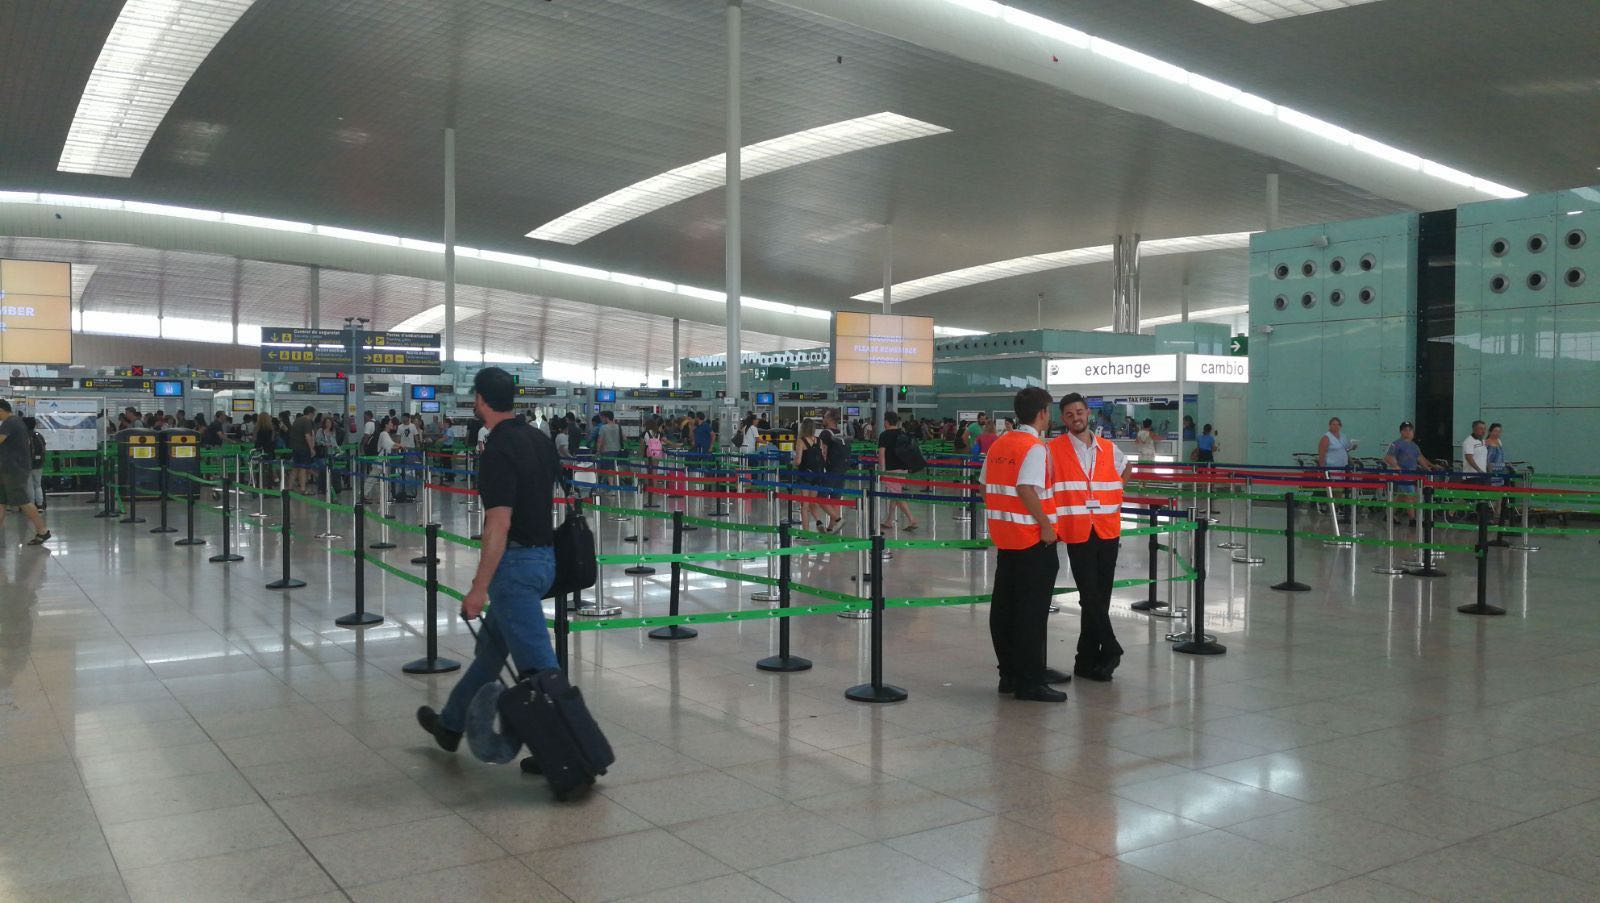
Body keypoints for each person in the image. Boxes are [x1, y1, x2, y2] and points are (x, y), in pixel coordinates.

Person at [417, 367, 565, 753]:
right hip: (545, 558)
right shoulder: (539, 439)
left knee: (543, 670)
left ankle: (568, 756)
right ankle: (451, 725)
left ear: (480, 400)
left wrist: (478, 589)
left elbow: (499, 522)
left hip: (515, 569)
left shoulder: (498, 448)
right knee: (490, 655)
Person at [983, 387, 1064, 702]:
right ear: (1043, 412)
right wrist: (1045, 525)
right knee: (1031, 613)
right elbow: (1026, 488)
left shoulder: (999, 444)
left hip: (1006, 539)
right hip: (1033, 541)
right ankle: (1030, 681)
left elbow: (983, 487)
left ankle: (1009, 674)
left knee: (1005, 609)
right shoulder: (1034, 447)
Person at [1051, 393, 1131, 682]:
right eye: (1070, 414)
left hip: (1107, 528)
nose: (1076, 418)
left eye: (1080, 412)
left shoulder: (1108, 448)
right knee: (1089, 593)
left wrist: (1116, 493)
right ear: (1063, 419)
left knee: (1102, 595)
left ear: (1088, 414)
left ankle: (1085, 660)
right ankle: (1110, 647)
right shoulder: (1053, 449)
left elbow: (1126, 469)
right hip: (1077, 530)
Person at [0, 401, 50, 545]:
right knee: (1, 502)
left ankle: (42, 530)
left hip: (14, 470)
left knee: (23, 501)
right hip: (7, 469)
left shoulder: (10, 422)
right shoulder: (14, 422)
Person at [1384, 421, 1437, 517]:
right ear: (1401, 432)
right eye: (1405, 430)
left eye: (1410, 430)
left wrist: (1431, 466)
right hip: (1402, 474)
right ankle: (1412, 519)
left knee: (1402, 496)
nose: (1408, 432)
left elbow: (1420, 458)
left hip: (1413, 474)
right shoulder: (1396, 444)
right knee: (1411, 495)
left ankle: (1389, 514)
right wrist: (1396, 467)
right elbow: (1388, 457)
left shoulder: (1414, 446)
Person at [877, 412, 919, 531]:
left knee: (896, 494)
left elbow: (881, 454)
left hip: (892, 469)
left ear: (886, 422)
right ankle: (889, 520)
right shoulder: (903, 433)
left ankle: (912, 519)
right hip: (903, 468)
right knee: (895, 493)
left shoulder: (884, 435)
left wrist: (882, 471)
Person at [793, 420, 829, 532]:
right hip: (817, 475)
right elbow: (823, 457)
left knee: (804, 505)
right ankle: (819, 522)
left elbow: (798, 461)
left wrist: (792, 462)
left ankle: (806, 532)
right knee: (813, 502)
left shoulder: (801, 441)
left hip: (805, 475)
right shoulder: (819, 440)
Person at [287, 406, 317, 493]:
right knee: (303, 468)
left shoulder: (297, 421)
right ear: (311, 413)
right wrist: (311, 448)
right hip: (303, 448)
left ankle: (290, 487)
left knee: (295, 468)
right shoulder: (307, 422)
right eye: (313, 414)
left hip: (295, 448)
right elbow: (307, 436)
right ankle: (303, 489)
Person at [24, 416, 46, 511]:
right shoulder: (39, 435)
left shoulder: (24, 436)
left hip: (27, 465)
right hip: (39, 464)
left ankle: (31, 506)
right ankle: (40, 505)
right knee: (38, 485)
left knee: (29, 486)